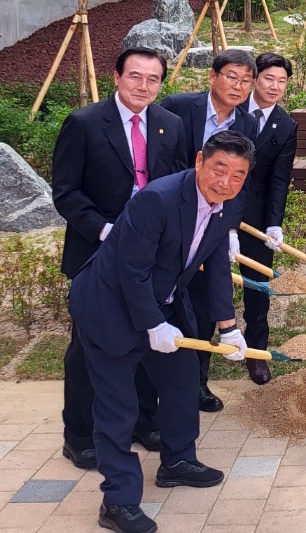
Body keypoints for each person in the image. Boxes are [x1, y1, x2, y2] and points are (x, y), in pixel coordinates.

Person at [68, 131, 253, 533]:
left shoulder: (229, 204)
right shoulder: (159, 198)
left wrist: (229, 327)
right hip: (109, 305)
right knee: (119, 407)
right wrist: (152, 324)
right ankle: (117, 503)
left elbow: (217, 265)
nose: (225, 182)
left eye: (238, 175)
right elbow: (130, 271)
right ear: (202, 160)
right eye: (219, 168)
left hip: (164, 300)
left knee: (182, 381)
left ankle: (178, 461)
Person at [51, 47, 188, 470]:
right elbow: (67, 193)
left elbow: (180, 184)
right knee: (90, 347)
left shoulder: (170, 124)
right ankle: (78, 434)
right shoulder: (85, 124)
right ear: (116, 76)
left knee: (150, 337)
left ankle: (144, 422)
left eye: (152, 79)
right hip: (97, 253)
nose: (143, 86)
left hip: (150, 257)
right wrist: (106, 230)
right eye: (135, 76)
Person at [161, 49, 257, 412]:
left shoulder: (246, 123)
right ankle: (155, 388)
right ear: (213, 76)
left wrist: (229, 229)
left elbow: (241, 181)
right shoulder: (176, 108)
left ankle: (197, 383)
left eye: (246, 81)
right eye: (232, 77)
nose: (238, 86)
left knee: (202, 309)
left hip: (212, 222)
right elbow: (161, 163)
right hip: (171, 219)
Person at [235, 52, 298, 385]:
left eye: (282, 81)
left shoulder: (285, 125)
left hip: (256, 218)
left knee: (258, 288)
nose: (275, 86)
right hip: (214, 209)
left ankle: (256, 354)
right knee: (205, 283)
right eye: (269, 79)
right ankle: (197, 362)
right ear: (255, 79)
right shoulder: (231, 111)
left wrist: (274, 223)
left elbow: (278, 179)